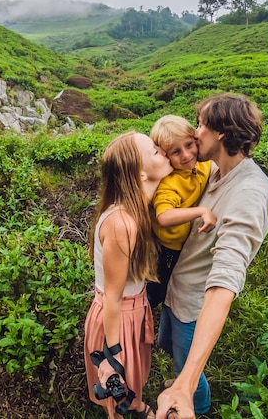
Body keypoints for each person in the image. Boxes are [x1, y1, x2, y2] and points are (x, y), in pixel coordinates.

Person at [155, 93, 268, 418]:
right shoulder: (213, 171)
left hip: (194, 303)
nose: (196, 133)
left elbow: (226, 279)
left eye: (201, 125)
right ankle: (181, 378)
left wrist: (186, 382)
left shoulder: (249, 193)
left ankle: (197, 401)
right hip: (177, 288)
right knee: (172, 350)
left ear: (221, 133)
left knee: (186, 362)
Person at [83, 131, 173, 419]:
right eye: (156, 151)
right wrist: (114, 352)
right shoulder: (122, 223)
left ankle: (137, 406)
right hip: (117, 318)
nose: (165, 152)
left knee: (134, 377)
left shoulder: (138, 210)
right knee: (116, 388)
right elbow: (112, 297)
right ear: (140, 171)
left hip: (133, 310)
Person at [147, 115, 215, 309]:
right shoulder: (169, 183)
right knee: (158, 290)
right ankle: (137, 316)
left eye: (188, 145)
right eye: (175, 151)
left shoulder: (204, 163)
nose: (186, 155)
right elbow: (164, 216)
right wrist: (200, 210)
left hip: (186, 244)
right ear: (165, 156)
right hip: (168, 247)